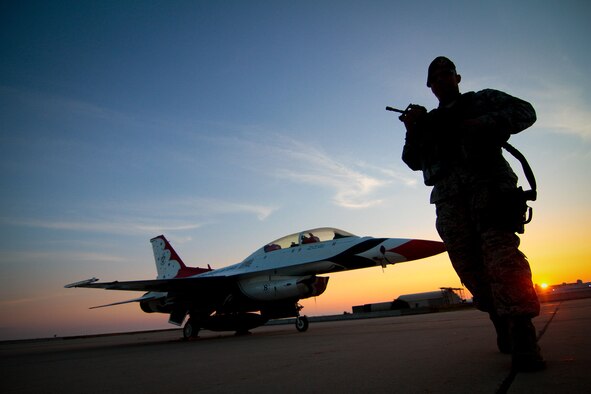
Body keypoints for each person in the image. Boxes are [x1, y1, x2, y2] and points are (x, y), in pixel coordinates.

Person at [399, 56, 545, 372]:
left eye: (446, 73)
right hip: (450, 203)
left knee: (503, 260)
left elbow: (526, 112)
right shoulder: (430, 122)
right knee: (471, 271)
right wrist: (413, 130)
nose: (441, 79)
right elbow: (412, 160)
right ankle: (499, 317)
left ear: (458, 77)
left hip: (491, 189)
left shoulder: (482, 100)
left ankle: (522, 334)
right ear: (429, 86)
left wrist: (482, 124)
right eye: (434, 77)